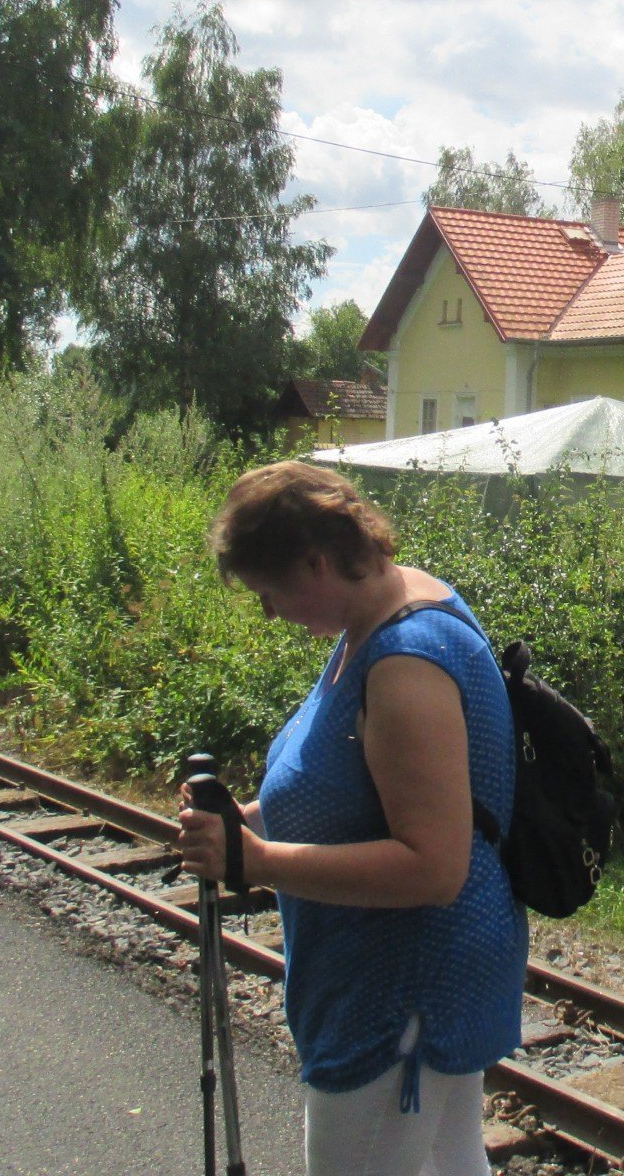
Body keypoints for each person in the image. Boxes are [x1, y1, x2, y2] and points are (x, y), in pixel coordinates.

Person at [176, 460, 526, 1176]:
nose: (269, 612)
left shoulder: (405, 665)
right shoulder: (379, 611)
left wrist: (260, 862)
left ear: (315, 561)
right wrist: (241, 820)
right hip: (411, 978)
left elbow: (433, 866)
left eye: (269, 593)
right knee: (449, 1163)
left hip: (401, 992)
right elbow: (352, 786)